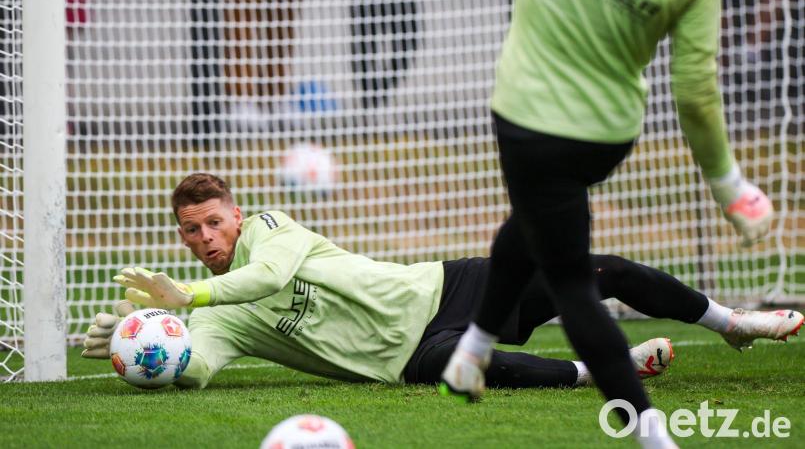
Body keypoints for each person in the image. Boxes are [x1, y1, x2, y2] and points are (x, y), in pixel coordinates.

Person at [81, 174, 801, 393]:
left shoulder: (270, 227)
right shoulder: (213, 317)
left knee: (598, 269)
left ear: (234, 215)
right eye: (191, 231)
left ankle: (731, 321)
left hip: (439, 288)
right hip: (403, 357)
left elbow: (266, 277)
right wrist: (140, 344)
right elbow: (197, 367)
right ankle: (600, 370)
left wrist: (188, 297)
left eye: (213, 222)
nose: (205, 238)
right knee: (469, 367)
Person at [438, 0, 777, 448]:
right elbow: (696, 92)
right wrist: (729, 185)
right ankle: (472, 353)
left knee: (571, 283)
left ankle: (655, 440)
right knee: (536, 217)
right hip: (605, 137)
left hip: (530, 119)